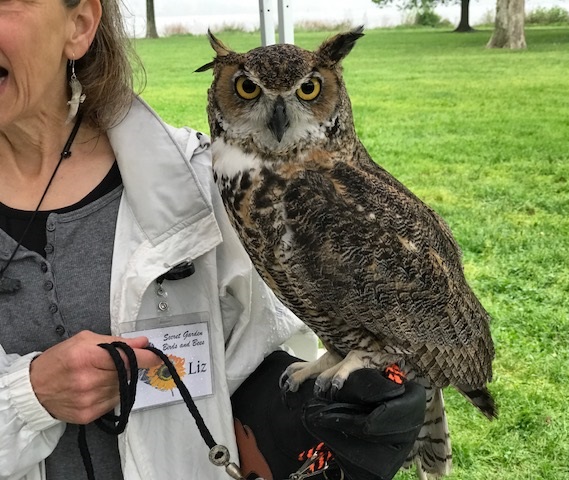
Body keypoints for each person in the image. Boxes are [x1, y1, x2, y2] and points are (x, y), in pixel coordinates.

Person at [0, 1, 424, 479]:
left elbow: (250, 355)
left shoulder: (201, 184)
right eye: (247, 89)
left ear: (78, 25)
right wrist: (26, 398)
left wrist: (302, 414)